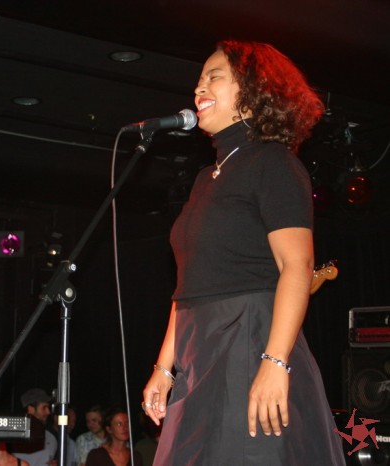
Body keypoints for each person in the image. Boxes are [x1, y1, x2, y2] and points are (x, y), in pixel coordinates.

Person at [141, 40, 346, 465]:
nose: (198, 88)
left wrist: (275, 362)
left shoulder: (273, 162)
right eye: (198, 80)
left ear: (254, 92)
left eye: (214, 77)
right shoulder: (205, 178)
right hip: (199, 348)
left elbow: (297, 265)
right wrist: (164, 367)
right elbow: (189, 285)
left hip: (249, 339)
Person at [11, 389, 57, 466]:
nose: (48, 412)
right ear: (31, 409)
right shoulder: (12, 437)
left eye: (48, 408)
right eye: (44, 408)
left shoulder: (52, 439)